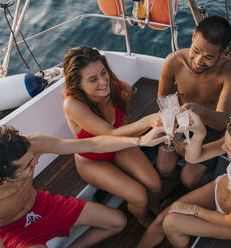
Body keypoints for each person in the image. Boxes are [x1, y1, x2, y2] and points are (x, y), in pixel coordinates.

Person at [0, 125, 167, 248]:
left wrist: (141, 140)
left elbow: (91, 144)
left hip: (43, 205)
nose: (36, 161)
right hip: (13, 231)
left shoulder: (32, 145)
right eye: (29, 165)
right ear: (3, 178)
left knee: (118, 221)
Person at [137, 111, 231, 248]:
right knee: (162, 218)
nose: (224, 147)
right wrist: (200, 133)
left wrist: (192, 210)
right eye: (225, 142)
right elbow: (192, 158)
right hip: (217, 191)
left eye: (230, 150)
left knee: (170, 224)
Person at [62, 46, 163, 224]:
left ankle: (155, 207)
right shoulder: (72, 104)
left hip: (119, 147)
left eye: (103, 72)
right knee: (139, 196)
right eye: (93, 79)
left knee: (155, 184)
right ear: (78, 84)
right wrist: (149, 121)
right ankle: (143, 219)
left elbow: (123, 124)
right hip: (92, 160)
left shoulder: (116, 89)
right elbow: (110, 133)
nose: (103, 81)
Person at [156, 16, 231, 189]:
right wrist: (178, 136)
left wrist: (199, 110)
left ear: (223, 52)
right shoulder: (173, 61)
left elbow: (220, 122)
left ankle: (196, 188)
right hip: (180, 124)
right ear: (193, 36)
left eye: (209, 57)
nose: (198, 61)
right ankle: (171, 186)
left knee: (189, 179)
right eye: (196, 50)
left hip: (210, 128)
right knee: (163, 168)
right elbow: (163, 103)